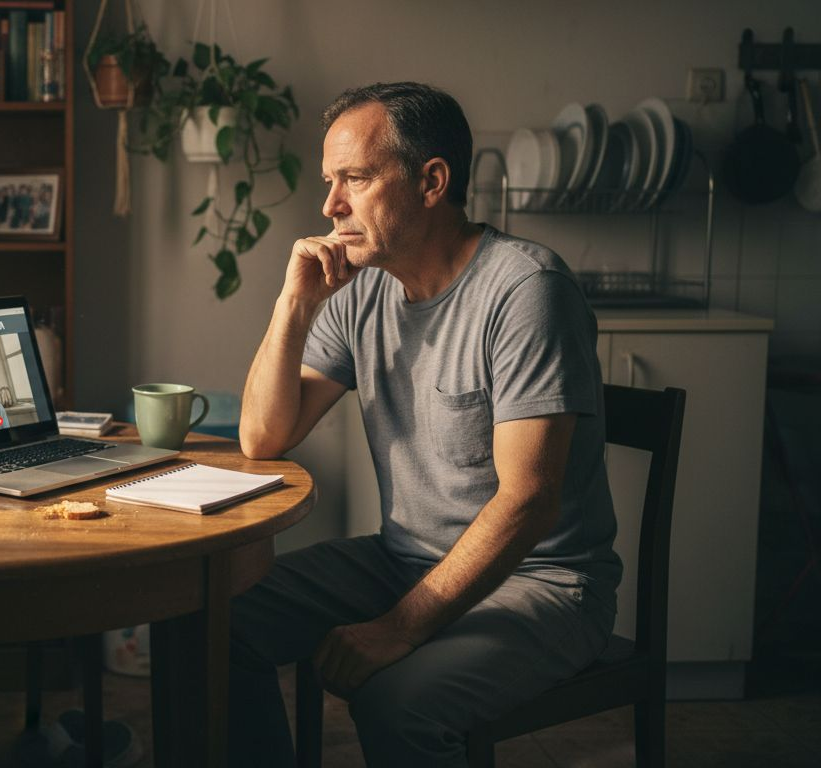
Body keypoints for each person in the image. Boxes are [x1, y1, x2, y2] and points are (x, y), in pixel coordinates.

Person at [231, 82, 619, 767]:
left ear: (432, 182)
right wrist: (293, 305)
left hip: (543, 584)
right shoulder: (364, 290)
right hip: (403, 560)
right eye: (329, 182)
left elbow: (529, 501)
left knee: (395, 705)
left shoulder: (527, 291)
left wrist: (397, 629)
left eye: (355, 179)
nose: (330, 205)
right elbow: (264, 437)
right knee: (218, 622)